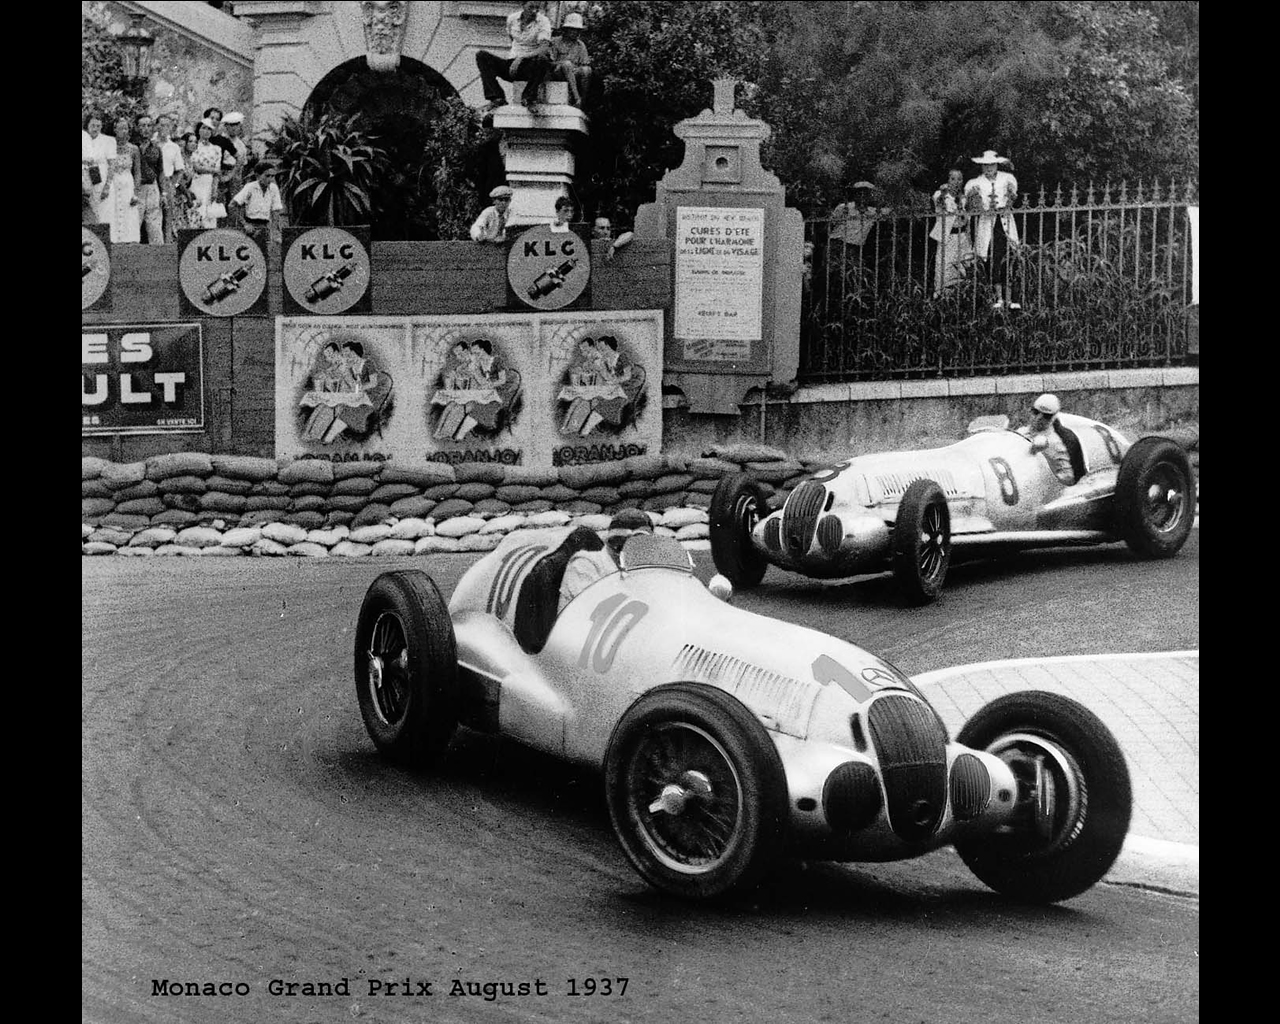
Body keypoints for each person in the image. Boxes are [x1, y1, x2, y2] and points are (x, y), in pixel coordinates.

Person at [964, 149, 1020, 310]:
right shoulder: (976, 182)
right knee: (992, 258)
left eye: (992, 165)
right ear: (981, 167)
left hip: (1005, 222)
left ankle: (1012, 298)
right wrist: (980, 205)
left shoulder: (1007, 178)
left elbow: (1012, 195)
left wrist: (1009, 198)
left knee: (1010, 257)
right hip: (988, 224)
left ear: (997, 165)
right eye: (985, 166)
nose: (989, 168)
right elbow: (972, 201)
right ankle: (998, 298)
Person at [475, 1, 553, 111]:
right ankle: (497, 97)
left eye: (537, 8)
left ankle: (528, 98)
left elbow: (544, 48)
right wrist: (514, 57)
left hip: (530, 65)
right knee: (482, 55)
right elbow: (512, 40)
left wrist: (522, 57)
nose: (534, 11)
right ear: (523, 5)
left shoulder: (543, 21)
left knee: (543, 59)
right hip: (512, 65)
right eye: (531, 7)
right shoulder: (512, 19)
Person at [1017, 393, 1082, 485]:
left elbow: (1068, 478)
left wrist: (1042, 480)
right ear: (1030, 411)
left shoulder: (1055, 443)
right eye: (1036, 412)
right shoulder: (1020, 432)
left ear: (1053, 418)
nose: (1039, 418)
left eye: (1046, 416)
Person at [929, 168, 971, 296]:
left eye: (959, 179)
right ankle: (942, 295)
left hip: (962, 236)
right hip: (948, 237)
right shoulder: (940, 195)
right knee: (945, 267)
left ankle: (961, 296)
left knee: (964, 266)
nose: (956, 182)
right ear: (948, 180)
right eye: (953, 179)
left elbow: (967, 219)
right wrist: (944, 193)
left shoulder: (963, 199)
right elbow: (939, 204)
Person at [104, 115, 141, 243]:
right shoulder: (109, 145)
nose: (123, 131)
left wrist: (136, 193)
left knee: (128, 211)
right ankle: (113, 239)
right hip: (113, 182)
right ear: (114, 130)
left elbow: (137, 172)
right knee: (112, 209)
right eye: (120, 128)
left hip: (127, 183)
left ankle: (129, 240)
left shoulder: (133, 149)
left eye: (125, 128)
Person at [231, 161, 285, 241]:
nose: (270, 179)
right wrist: (244, 224)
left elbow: (276, 210)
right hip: (250, 226)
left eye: (273, 176)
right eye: (267, 176)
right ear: (257, 176)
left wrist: (275, 231)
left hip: (265, 226)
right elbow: (232, 205)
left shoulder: (274, 188)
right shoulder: (250, 187)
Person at [134, 114, 166, 245]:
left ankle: (159, 256)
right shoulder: (131, 146)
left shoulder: (156, 148)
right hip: (136, 188)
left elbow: (161, 172)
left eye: (149, 125)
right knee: (134, 222)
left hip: (152, 187)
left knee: (154, 224)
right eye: (142, 125)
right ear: (137, 127)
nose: (146, 129)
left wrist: (163, 193)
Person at [549, 11, 591, 107]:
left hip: (573, 73)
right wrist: (564, 64)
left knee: (586, 70)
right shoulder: (555, 42)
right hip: (558, 72)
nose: (575, 32)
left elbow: (584, 64)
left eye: (577, 30)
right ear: (566, 30)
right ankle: (577, 97)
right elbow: (550, 63)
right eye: (572, 29)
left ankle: (582, 101)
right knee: (567, 64)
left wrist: (577, 69)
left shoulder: (580, 45)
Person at [189, 120, 226, 228]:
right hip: (195, 182)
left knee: (209, 215)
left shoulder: (216, 149)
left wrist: (215, 188)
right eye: (204, 128)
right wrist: (213, 170)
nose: (206, 131)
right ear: (198, 130)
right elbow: (195, 166)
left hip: (209, 183)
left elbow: (217, 171)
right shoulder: (194, 145)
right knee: (196, 211)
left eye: (209, 129)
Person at [155, 114, 186, 241]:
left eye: (167, 125)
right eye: (161, 125)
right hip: (152, 182)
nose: (164, 128)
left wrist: (174, 186)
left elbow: (180, 170)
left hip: (167, 182)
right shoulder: (151, 143)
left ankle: (167, 243)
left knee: (168, 216)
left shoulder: (174, 147)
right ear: (156, 126)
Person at [83, 114, 112, 224]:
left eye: (98, 126)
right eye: (92, 125)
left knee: (95, 209)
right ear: (87, 125)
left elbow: (91, 159)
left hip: (94, 176)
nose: (95, 129)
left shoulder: (104, 140)